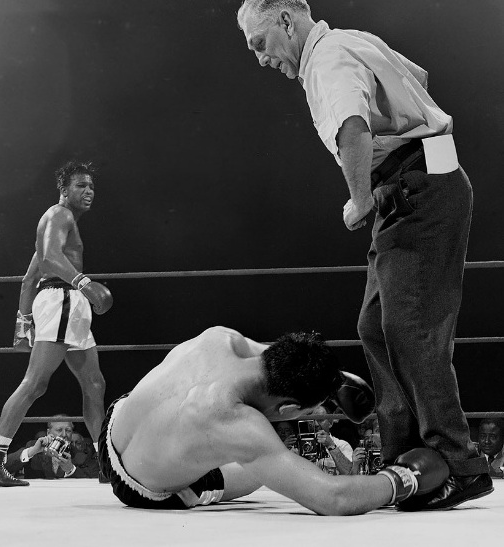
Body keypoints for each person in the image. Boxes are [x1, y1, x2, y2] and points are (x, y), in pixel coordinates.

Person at [236, 0, 491, 510]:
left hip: (416, 188)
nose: (262, 60)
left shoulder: (326, 58)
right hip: (417, 182)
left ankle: (457, 462)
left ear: (287, 21)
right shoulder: (354, 40)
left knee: (409, 324)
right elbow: (415, 76)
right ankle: (407, 455)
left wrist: (358, 198)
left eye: (260, 44)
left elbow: (352, 126)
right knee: (376, 324)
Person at [98, 326, 449, 514]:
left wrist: (327, 378)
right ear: (289, 411)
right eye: (311, 409)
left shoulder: (220, 338)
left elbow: (281, 355)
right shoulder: (235, 423)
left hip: (118, 419)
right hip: (140, 488)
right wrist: (405, 478)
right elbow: (333, 498)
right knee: (257, 470)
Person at [0, 160, 112, 487]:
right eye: (81, 186)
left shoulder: (60, 222)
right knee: (35, 383)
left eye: (91, 186)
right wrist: (85, 283)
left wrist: (22, 323)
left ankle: (107, 463)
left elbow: (29, 277)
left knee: (94, 385)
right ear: (64, 191)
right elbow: (50, 260)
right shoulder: (59, 214)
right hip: (63, 300)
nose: (88, 191)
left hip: (66, 303)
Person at [5, 417, 98, 479]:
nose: (64, 435)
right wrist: (31, 452)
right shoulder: (34, 446)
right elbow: (5, 467)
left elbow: (93, 480)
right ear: (49, 432)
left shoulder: (80, 453)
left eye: (68, 430)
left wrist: (71, 470)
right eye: (59, 430)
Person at [312, 405, 355, 476]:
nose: (316, 424)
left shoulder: (342, 445)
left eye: (320, 420)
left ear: (330, 423)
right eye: (313, 420)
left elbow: (349, 473)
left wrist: (331, 445)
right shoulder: (299, 446)